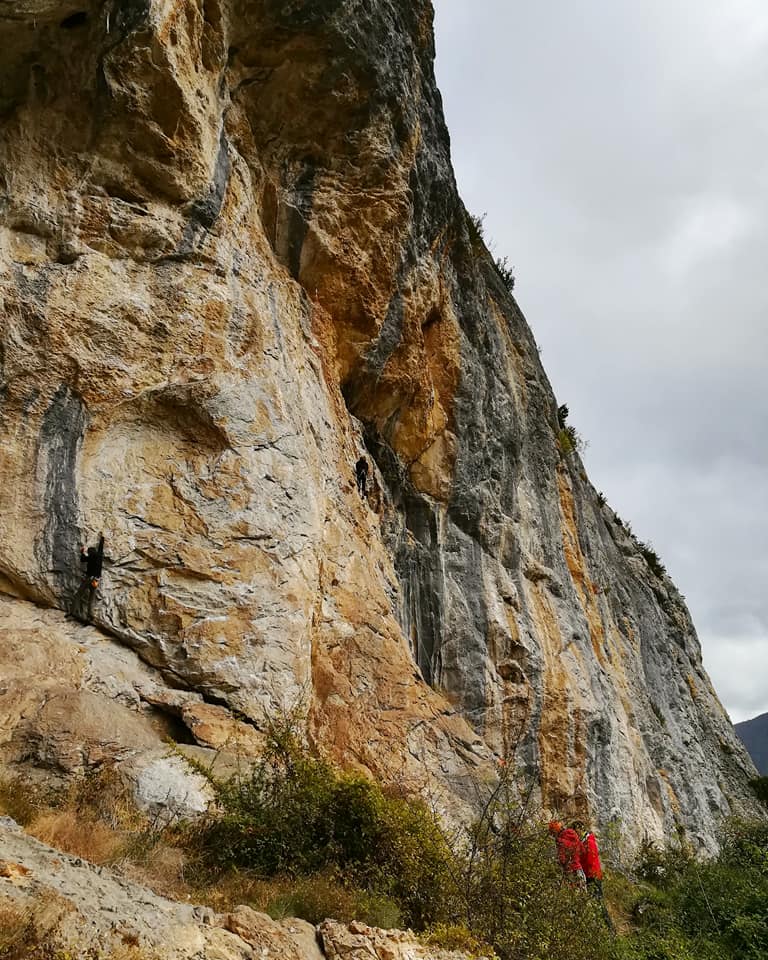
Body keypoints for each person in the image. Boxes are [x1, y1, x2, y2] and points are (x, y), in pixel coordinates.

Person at [572, 819, 614, 927]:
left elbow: (590, 860)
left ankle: (609, 929)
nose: (576, 833)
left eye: (576, 830)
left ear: (581, 829)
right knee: (596, 902)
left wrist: (582, 870)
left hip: (593, 876)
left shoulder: (589, 842)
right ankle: (603, 928)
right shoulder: (585, 841)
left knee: (598, 902)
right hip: (591, 876)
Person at [71, 533, 105, 621]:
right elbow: (101, 547)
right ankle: (91, 615)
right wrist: (102, 538)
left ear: (90, 552)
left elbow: (82, 559)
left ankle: (75, 612)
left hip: (89, 579)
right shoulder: (99, 556)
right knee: (91, 597)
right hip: (96, 580)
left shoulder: (90, 557)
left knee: (79, 594)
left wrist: (82, 552)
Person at [548, 820, 586, 887]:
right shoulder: (574, 834)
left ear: (555, 831)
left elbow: (562, 859)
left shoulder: (560, 841)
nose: (552, 835)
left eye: (552, 833)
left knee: (572, 893)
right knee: (582, 893)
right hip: (578, 869)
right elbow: (582, 850)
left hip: (570, 871)